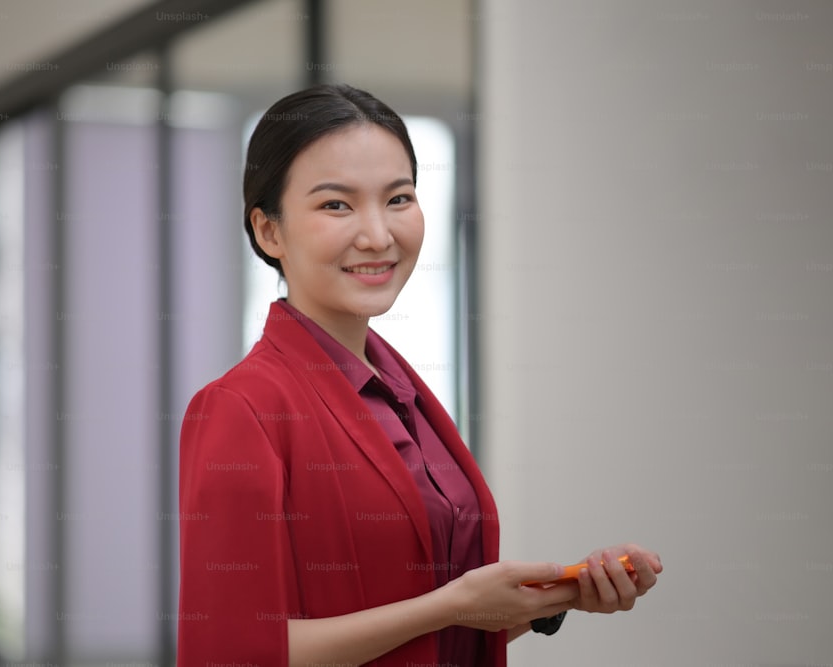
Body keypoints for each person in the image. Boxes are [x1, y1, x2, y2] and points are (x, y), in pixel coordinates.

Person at [178, 83, 662, 666]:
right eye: (336, 204)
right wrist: (450, 606)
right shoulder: (240, 408)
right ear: (269, 231)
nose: (378, 235)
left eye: (399, 199)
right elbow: (233, 653)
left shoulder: (405, 398)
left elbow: (423, 641)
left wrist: (554, 598)